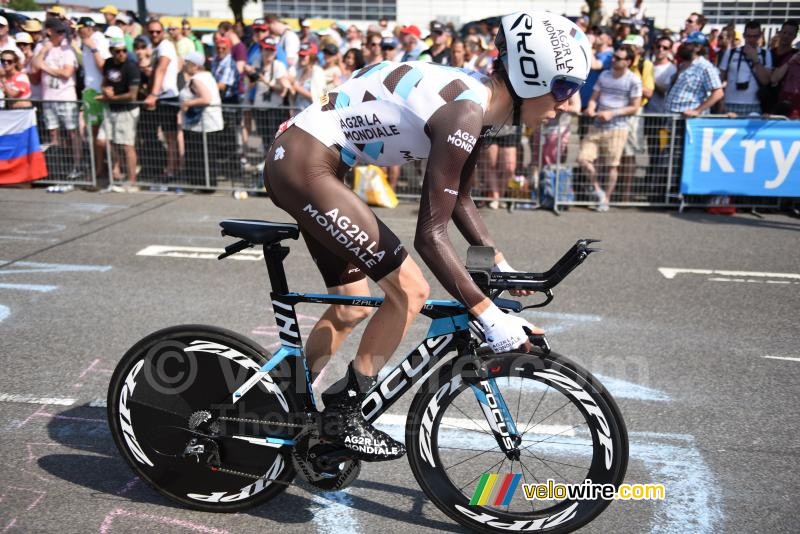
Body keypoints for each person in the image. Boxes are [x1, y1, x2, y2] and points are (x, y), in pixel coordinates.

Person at [261, 11, 590, 461]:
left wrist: (502, 267)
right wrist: (489, 316)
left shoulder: (481, 109)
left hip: (311, 161)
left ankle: (278, 404)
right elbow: (431, 234)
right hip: (305, 163)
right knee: (409, 291)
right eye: (565, 89)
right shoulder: (466, 111)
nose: (568, 103)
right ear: (529, 79)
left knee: (349, 305)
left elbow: (460, 200)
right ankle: (343, 411)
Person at [578, 45, 642, 211]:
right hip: (598, 124)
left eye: (619, 58)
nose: (614, 60)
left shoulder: (633, 80)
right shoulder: (604, 75)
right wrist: (591, 107)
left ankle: (605, 199)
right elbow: (594, 97)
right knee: (583, 158)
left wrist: (612, 113)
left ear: (628, 62)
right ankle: (598, 191)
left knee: (612, 165)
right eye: (614, 57)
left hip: (618, 127)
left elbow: (635, 106)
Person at [33, 18, 82, 179]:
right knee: (53, 133)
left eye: (63, 32)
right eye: (59, 31)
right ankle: (58, 166)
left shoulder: (67, 49)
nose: (62, 35)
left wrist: (45, 67)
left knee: (72, 132)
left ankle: (77, 166)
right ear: (49, 31)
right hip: (48, 97)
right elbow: (34, 68)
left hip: (66, 96)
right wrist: (42, 53)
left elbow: (67, 73)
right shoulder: (42, 47)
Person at [97, 38, 140, 188]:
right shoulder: (108, 63)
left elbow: (132, 95)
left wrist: (112, 97)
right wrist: (105, 90)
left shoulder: (131, 67)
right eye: (118, 51)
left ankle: (132, 179)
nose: (121, 54)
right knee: (102, 140)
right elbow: (104, 82)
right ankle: (119, 163)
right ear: (111, 52)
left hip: (126, 110)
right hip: (111, 108)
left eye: (124, 51)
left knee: (127, 145)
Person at [179, 51, 223, 187]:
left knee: (199, 155)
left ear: (195, 66)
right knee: (207, 155)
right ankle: (207, 184)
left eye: (187, 63)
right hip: (211, 123)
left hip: (201, 124)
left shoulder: (197, 79)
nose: (184, 66)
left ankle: (202, 184)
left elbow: (206, 98)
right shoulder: (208, 76)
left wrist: (187, 103)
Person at [143, 19, 180, 180]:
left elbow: (162, 69)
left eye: (158, 31)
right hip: (161, 96)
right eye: (151, 32)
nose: (155, 34)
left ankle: (172, 169)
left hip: (167, 97)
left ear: (163, 32)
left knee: (170, 137)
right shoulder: (157, 48)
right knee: (160, 136)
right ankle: (166, 167)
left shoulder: (165, 45)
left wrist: (153, 94)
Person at [77, 17, 111, 180]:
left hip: (99, 92)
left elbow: (104, 67)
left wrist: (94, 48)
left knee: (104, 136)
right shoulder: (84, 41)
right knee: (93, 134)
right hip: (89, 92)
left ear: (89, 28)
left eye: (80, 28)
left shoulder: (98, 40)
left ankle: (110, 168)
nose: (78, 31)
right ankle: (99, 169)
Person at [718, 20, 773, 116]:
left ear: (760, 35)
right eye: (748, 36)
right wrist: (721, 101)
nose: (751, 39)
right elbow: (719, 79)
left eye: (755, 36)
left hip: (754, 104)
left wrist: (755, 60)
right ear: (744, 35)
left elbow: (766, 81)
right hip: (730, 102)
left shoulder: (765, 54)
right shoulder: (731, 53)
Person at [251, 36, 290, 149]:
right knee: (263, 137)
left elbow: (282, 89)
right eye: (266, 49)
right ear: (261, 50)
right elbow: (249, 85)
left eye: (271, 50)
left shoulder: (278, 66)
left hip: (274, 107)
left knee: (274, 138)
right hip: (259, 106)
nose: (268, 52)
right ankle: (265, 161)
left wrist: (266, 81)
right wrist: (250, 76)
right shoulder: (256, 63)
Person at [290, 42, 325, 113]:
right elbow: (294, 94)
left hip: (312, 114)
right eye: (300, 55)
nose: (301, 58)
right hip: (298, 113)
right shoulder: (299, 71)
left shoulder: (318, 72)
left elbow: (319, 97)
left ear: (312, 56)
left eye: (304, 55)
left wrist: (297, 87)